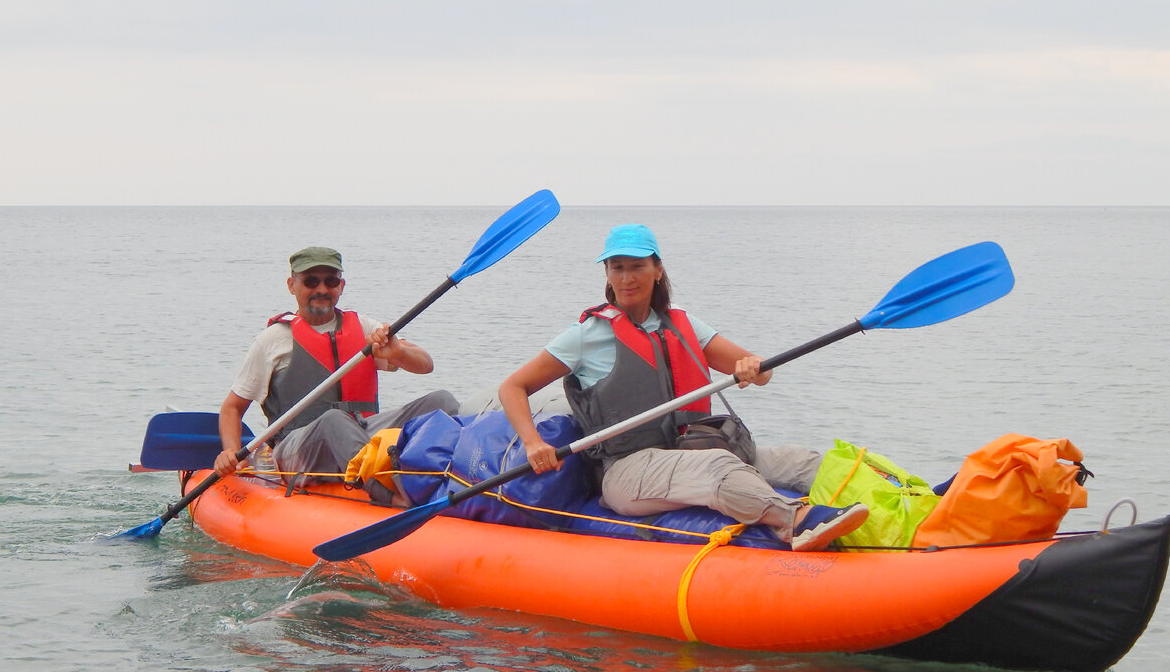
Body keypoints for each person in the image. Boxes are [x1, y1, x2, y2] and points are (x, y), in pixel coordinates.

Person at [497, 224, 868, 552]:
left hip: (694, 444)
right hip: (628, 469)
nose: (627, 277)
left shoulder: (680, 325)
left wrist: (751, 367)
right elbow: (514, 386)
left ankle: (899, 506)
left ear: (657, 270)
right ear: (607, 274)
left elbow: (761, 372)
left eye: (637, 266)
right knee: (718, 466)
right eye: (617, 267)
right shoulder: (586, 336)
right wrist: (532, 441)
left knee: (803, 460)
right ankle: (797, 522)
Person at [214, 246, 459, 484]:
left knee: (441, 401)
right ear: (292, 285)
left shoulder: (363, 327)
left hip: (362, 432)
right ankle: (385, 490)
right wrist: (231, 451)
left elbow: (425, 365)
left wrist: (398, 352)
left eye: (330, 281)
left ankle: (458, 476)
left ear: (341, 286)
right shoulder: (272, 341)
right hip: (297, 447)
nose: (322, 289)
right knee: (335, 420)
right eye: (311, 281)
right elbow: (232, 408)